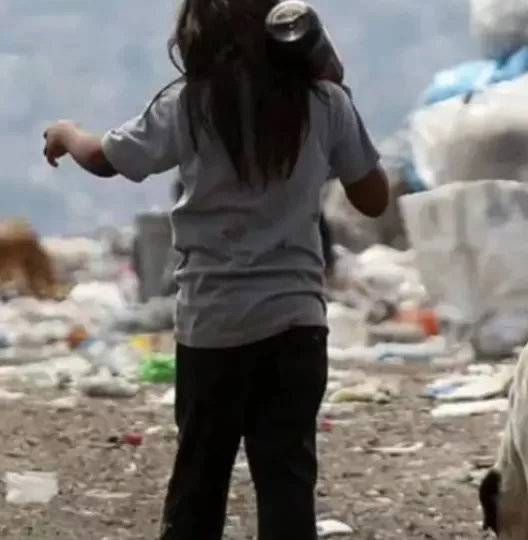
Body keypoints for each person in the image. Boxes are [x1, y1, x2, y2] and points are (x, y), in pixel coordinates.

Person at [41, 0, 389, 537]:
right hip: (296, 325)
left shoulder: (188, 104)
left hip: (213, 327)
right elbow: (372, 198)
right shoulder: (324, 102)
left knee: (199, 484)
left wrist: (65, 132)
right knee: (286, 482)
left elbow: (105, 158)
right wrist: (332, 82)